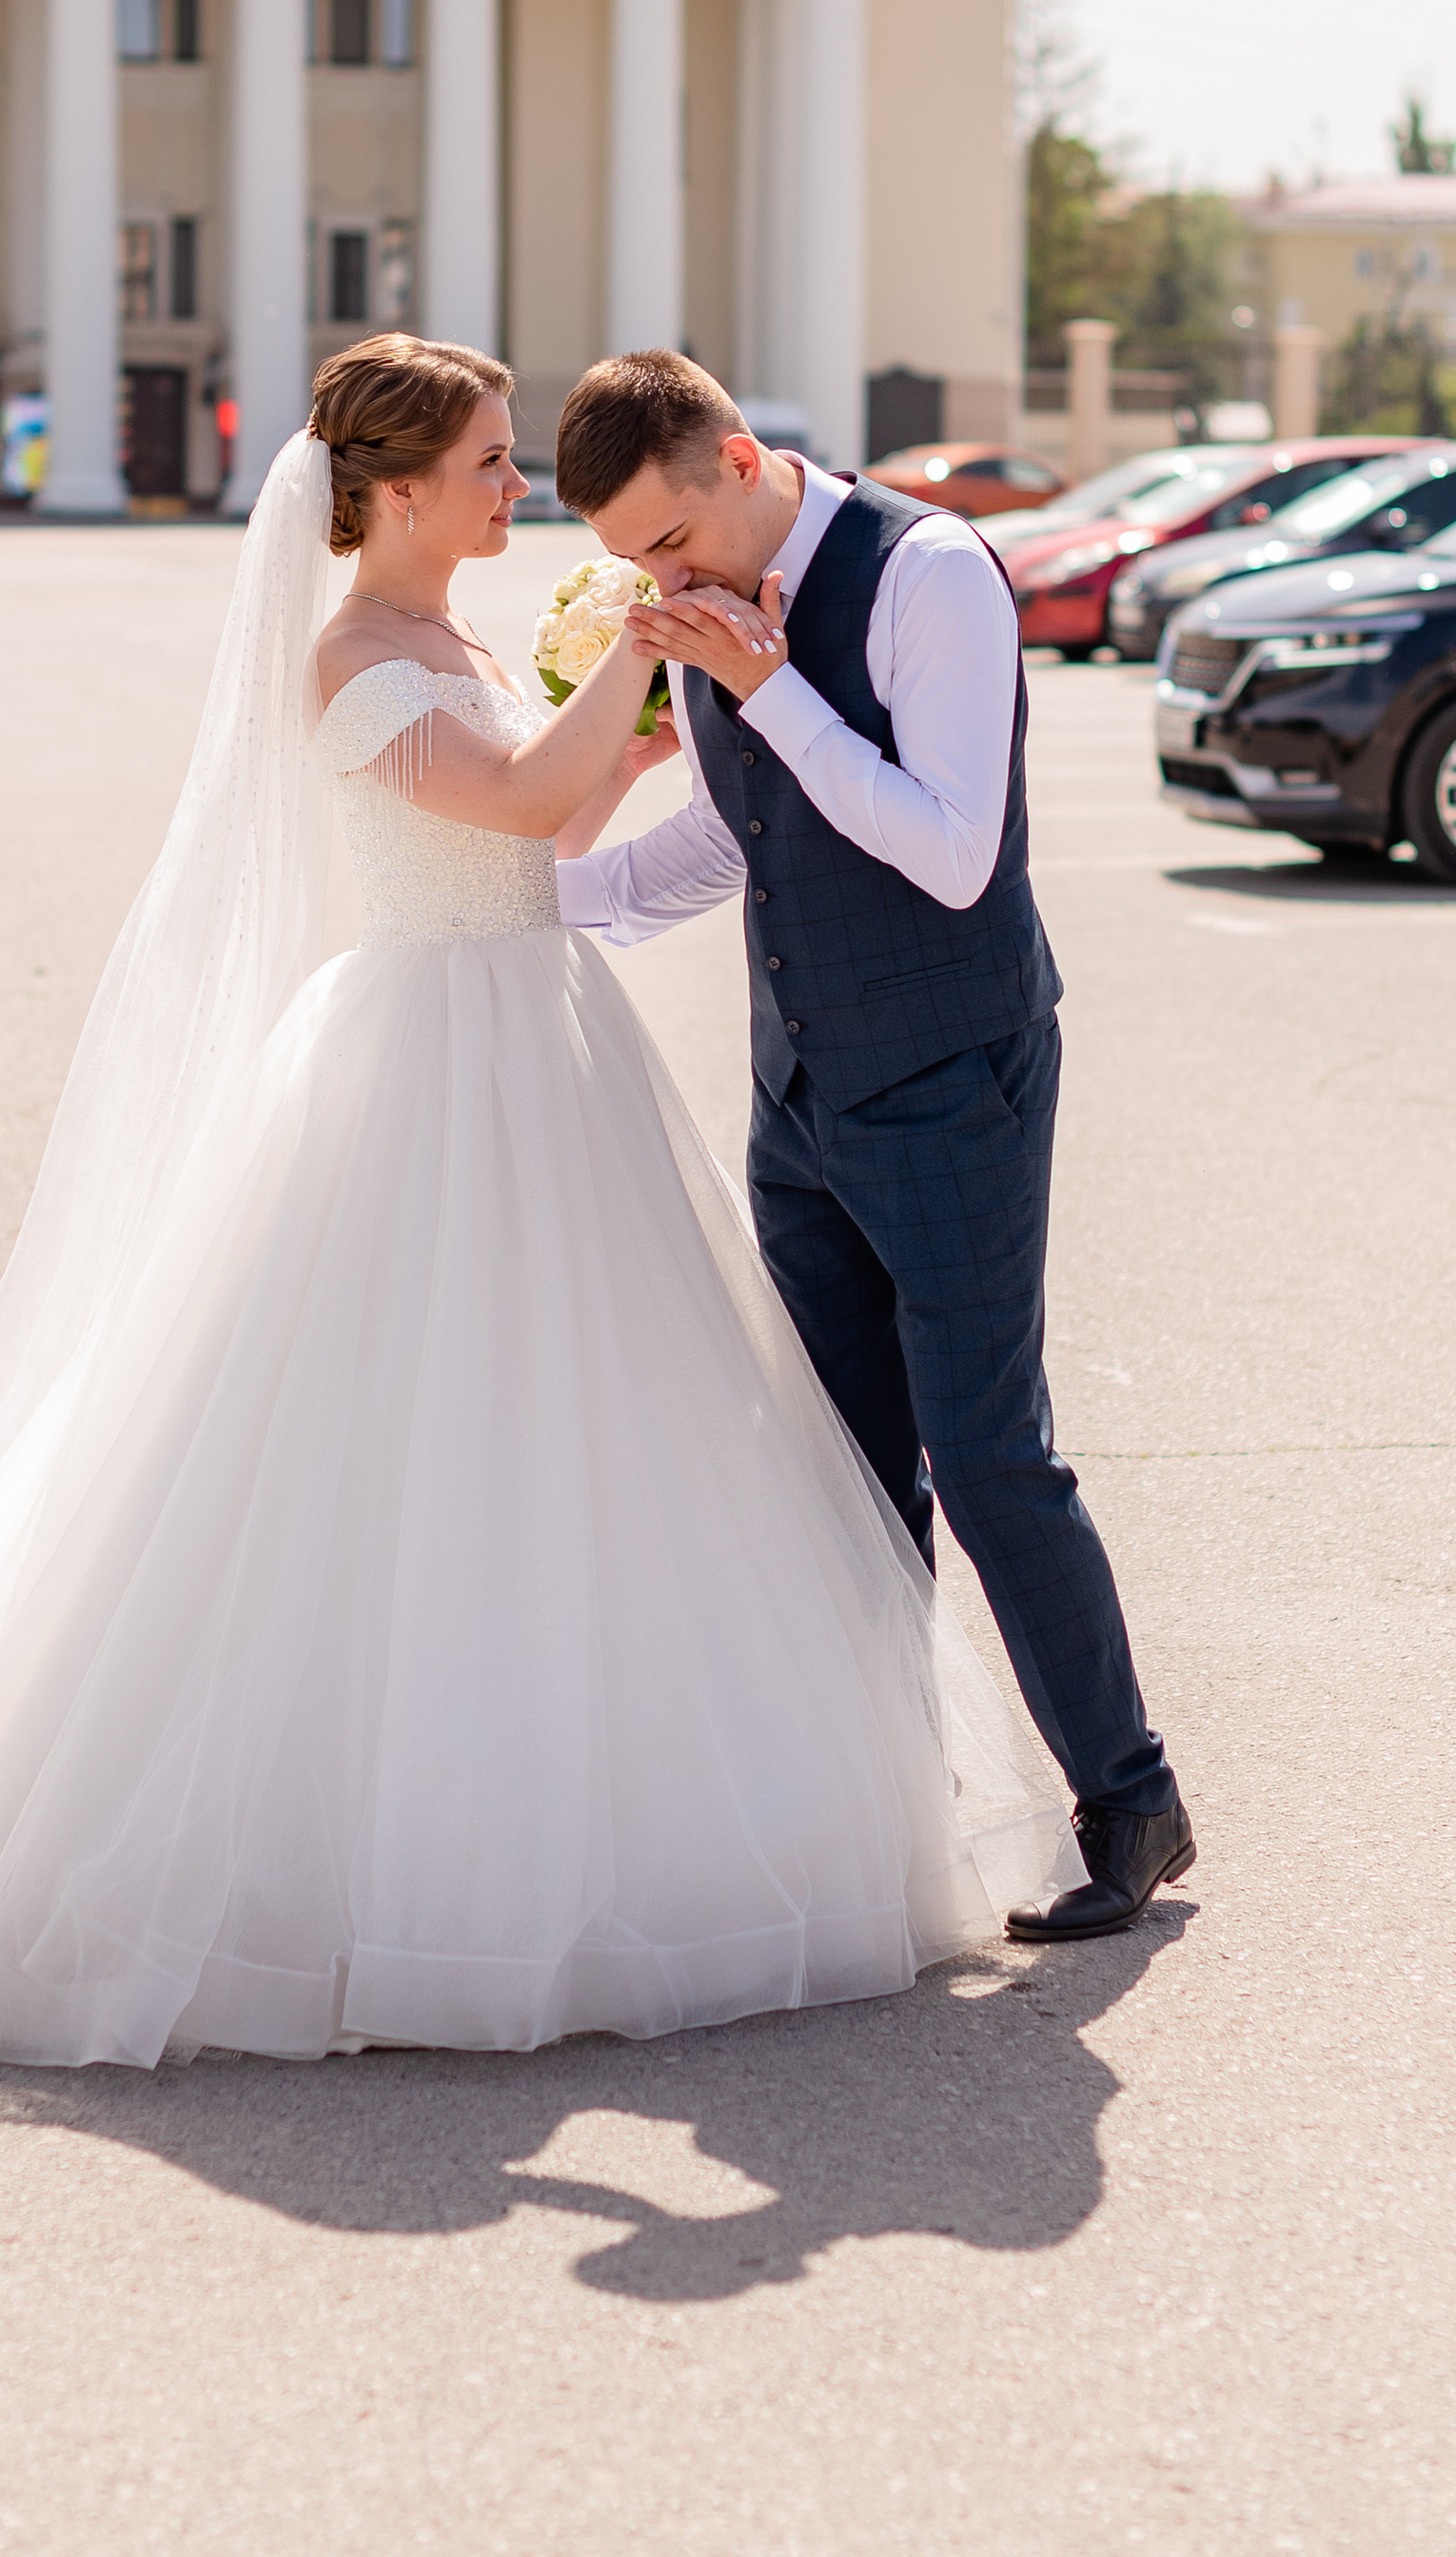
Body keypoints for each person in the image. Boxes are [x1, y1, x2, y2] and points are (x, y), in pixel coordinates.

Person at [0, 336, 1077, 2067]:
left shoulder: (463, 641)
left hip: (542, 1035)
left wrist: (639, 730)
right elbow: (510, 796)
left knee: (591, 1430)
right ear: (396, 490)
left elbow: (553, 832)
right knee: (393, 1431)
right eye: (492, 461)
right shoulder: (352, 654)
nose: (517, 487)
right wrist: (653, 647)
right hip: (428, 1055)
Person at [550, 350, 1190, 1943]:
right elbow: (736, 831)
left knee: (986, 1453)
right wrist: (530, 909)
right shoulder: (709, 600)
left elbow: (951, 849)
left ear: (740, 459)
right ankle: (889, 1808)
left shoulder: (931, 573)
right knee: (842, 1468)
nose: (661, 582)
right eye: (633, 560)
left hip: (954, 1072)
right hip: (798, 1088)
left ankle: (1132, 1798)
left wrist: (772, 686)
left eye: (669, 541)